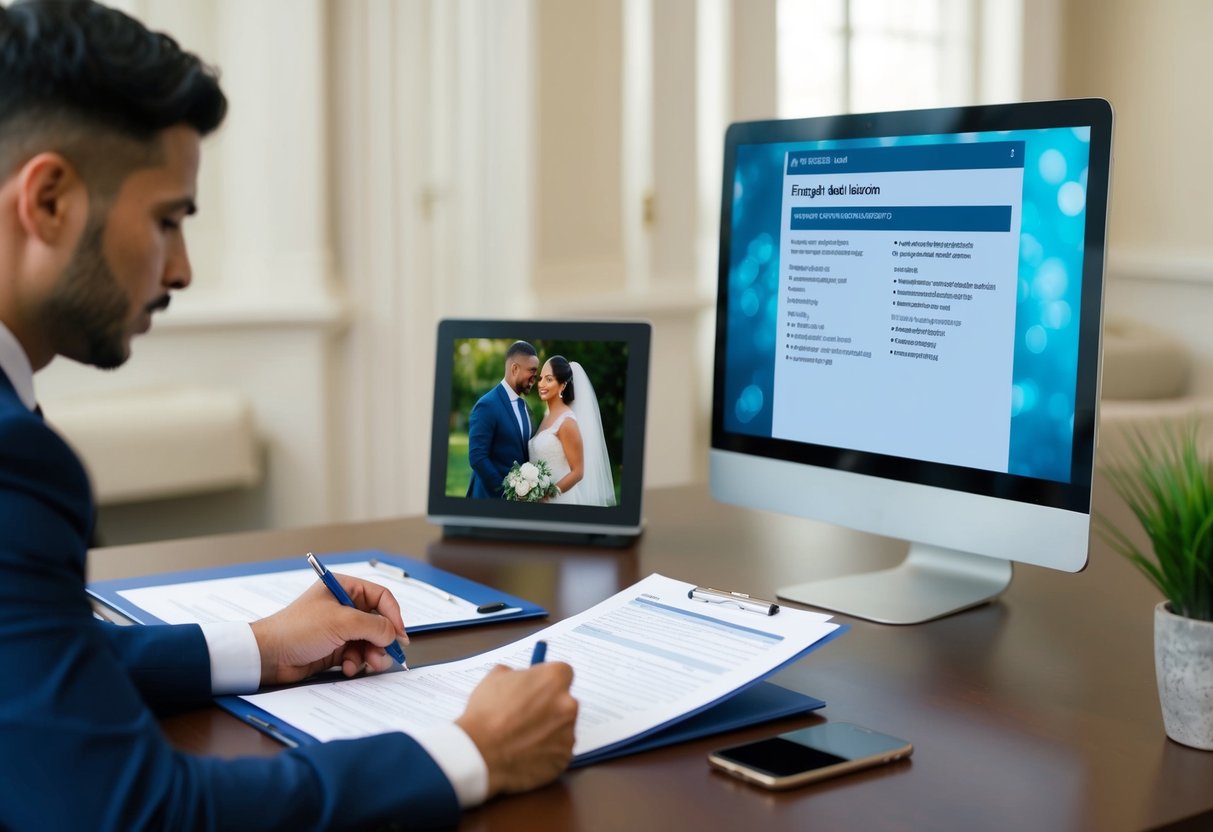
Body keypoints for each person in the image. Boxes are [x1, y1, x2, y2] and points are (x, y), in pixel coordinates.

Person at [0, 2, 576, 829]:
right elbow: (132, 813)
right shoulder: (15, 460)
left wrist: (260, 648)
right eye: (167, 220)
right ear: (48, 200)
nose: (184, 268)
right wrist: (475, 751)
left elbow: (30, 660)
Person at [528, 355, 615, 506]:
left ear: (562, 385)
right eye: (541, 378)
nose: (541, 384)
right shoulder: (547, 416)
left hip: (558, 500)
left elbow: (578, 472)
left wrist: (547, 496)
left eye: (549, 379)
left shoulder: (567, 421)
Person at [466, 340, 539, 498]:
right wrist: (505, 491)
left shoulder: (526, 408)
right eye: (532, 371)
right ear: (514, 369)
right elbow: (477, 457)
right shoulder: (487, 405)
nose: (535, 378)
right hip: (489, 502)